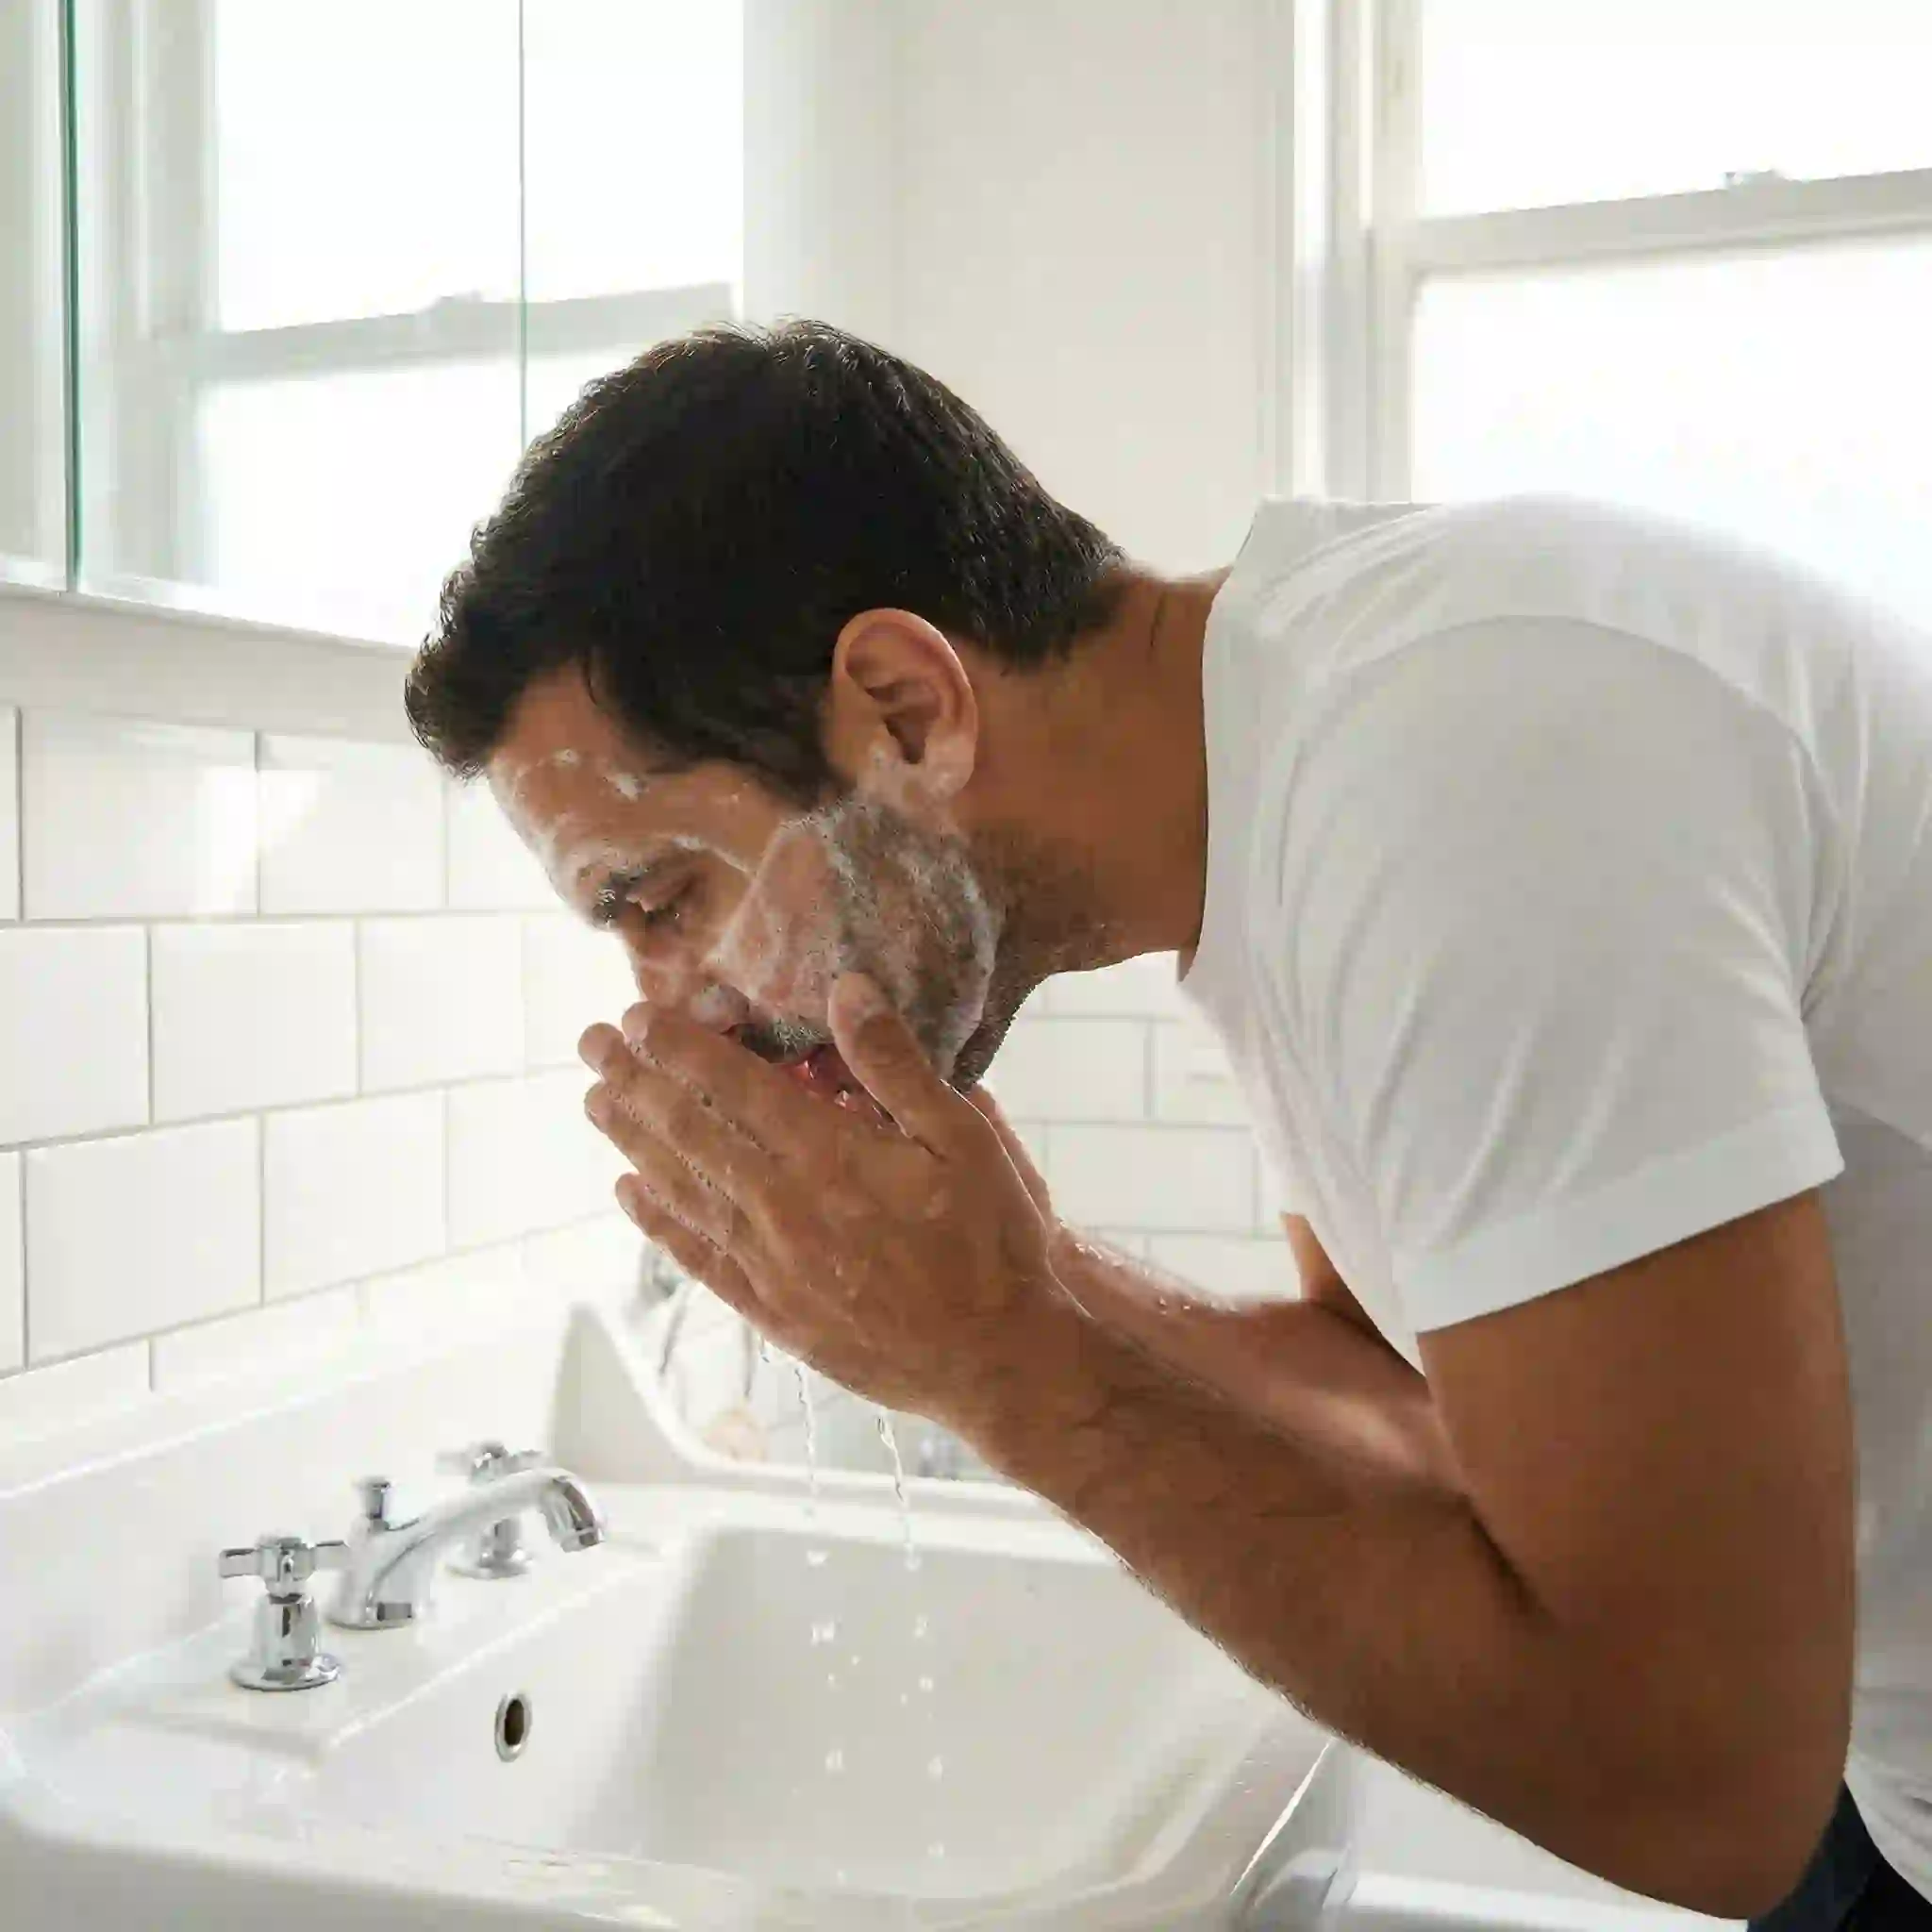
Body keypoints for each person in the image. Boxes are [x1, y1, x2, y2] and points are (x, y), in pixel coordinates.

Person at [405, 320, 1931, 1927]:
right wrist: (1013, 1290)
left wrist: (1010, 1364)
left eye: (659, 901)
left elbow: (1704, 1790)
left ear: (909, 707)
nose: (673, 1006)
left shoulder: (1459, 792)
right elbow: (1411, 1406)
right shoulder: (1306, 769)